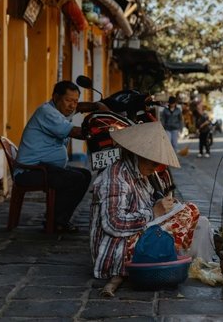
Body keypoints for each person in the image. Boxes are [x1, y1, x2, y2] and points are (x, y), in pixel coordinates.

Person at [90, 121, 200, 282]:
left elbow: (145, 205)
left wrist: (166, 207)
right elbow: (113, 223)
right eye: (153, 162)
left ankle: (167, 253)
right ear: (139, 155)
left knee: (190, 211)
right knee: (187, 213)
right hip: (118, 250)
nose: (155, 168)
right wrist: (154, 212)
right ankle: (165, 255)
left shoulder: (140, 174)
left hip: (136, 235)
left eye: (158, 164)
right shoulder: (116, 177)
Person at [16, 80, 108, 233]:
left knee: (84, 174)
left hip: (45, 168)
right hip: (30, 172)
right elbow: (76, 132)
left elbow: (79, 108)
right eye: (68, 100)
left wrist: (97, 106)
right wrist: (106, 130)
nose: (72, 105)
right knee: (75, 179)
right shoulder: (47, 112)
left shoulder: (60, 110)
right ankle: (56, 221)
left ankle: (58, 217)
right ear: (56, 97)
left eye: (75, 100)